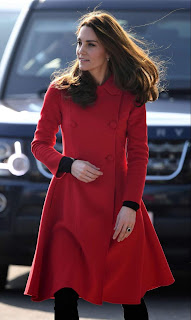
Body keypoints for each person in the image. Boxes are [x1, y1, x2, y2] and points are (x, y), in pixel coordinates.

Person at [24, 10, 175, 319]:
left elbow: (138, 155)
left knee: (130, 295)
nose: (81, 51)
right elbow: (39, 145)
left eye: (90, 44)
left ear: (109, 49)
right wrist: (69, 164)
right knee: (64, 292)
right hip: (70, 203)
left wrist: (130, 205)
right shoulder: (60, 91)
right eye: (79, 43)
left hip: (117, 201)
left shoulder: (129, 95)